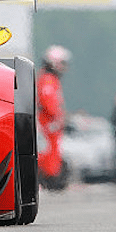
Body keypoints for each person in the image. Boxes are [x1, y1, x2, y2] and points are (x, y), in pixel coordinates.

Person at [37, 45, 71, 190]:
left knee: (50, 153)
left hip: (51, 125)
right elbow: (48, 101)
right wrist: (58, 117)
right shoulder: (48, 79)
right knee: (47, 154)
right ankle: (50, 179)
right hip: (48, 125)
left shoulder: (48, 78)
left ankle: (50, 178)